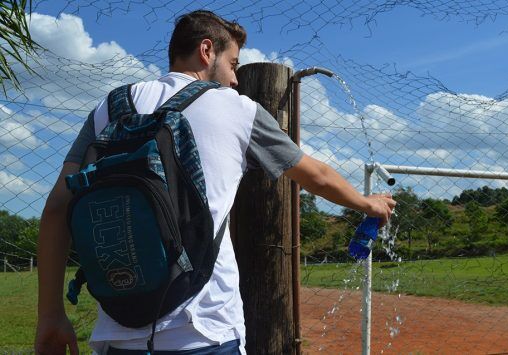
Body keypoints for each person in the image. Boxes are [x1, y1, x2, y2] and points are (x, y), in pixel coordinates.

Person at [35, 10, 396, 355]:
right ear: (207, 50)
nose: (236, 79)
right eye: (233, 64)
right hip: (204, 331)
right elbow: (315, 175)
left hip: (117, 335)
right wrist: (369, 204)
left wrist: (50, 315)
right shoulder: (238, 109)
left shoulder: (109, 108)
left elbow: (56, 209)